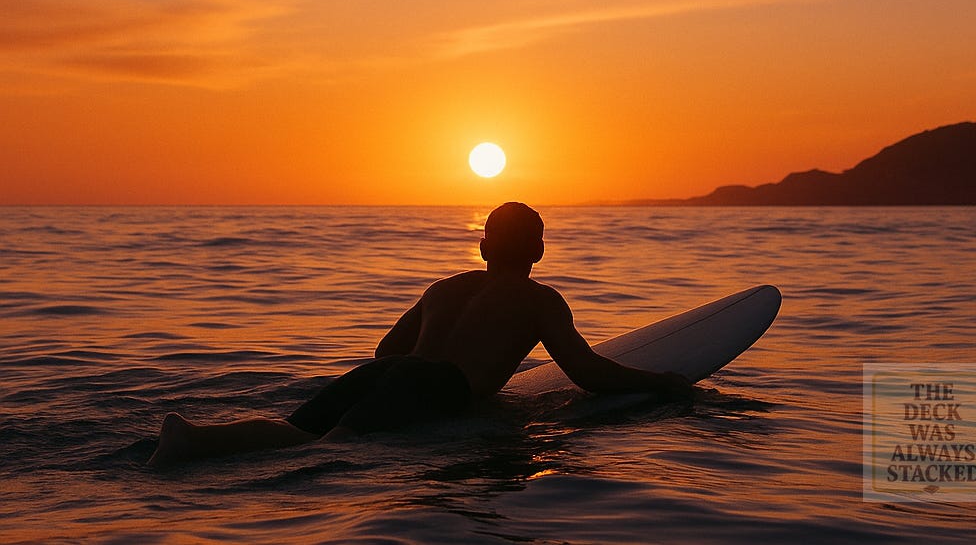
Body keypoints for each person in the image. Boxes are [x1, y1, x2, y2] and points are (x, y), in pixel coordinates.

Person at [147, 202, 691, 465]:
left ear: (482, 248)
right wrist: (665, 380)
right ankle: (206, 448)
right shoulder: (540, 299)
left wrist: (421, 370)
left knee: (296, 426)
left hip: (389, 372)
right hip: (440, 386)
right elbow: (587, 372)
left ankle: (194, 438)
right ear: (540, 251)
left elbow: (387, 352)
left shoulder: (441, 289)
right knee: (334, 448)